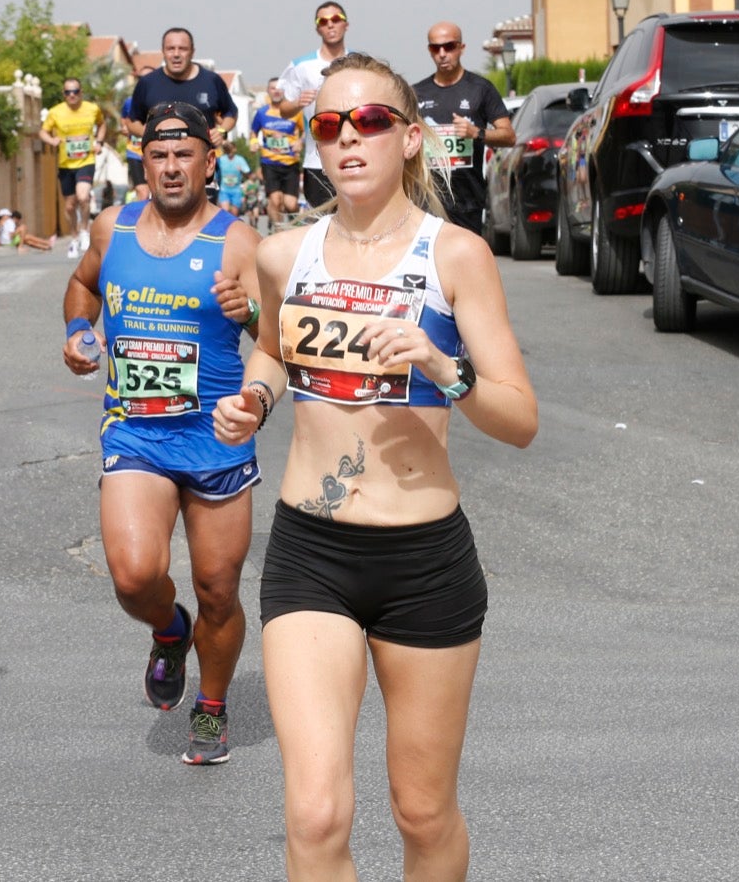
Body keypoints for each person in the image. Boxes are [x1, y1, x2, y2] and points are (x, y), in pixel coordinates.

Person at [214, 53, 537, 877]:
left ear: (409, 137)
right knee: (316, 814)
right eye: (328, 125)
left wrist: (443, 366)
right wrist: (252, 401)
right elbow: (272, 353)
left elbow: (520, 418)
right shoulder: (284, 255)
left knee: (422, 813)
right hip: (311, 553)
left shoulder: (456, 255)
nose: (347, 139)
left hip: (424, 559)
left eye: (368, 122)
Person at [63, 101, 264, 765]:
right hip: (137, 433)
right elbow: (81, 286)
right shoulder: (110, 227)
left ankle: (211, 704)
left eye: (186, 156)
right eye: (160, 155)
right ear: (143, 163)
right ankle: (168, 630)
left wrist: (254, 311)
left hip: (216, 438)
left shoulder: (237, 241)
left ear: (210, 162)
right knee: (133, 575)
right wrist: (76, 330)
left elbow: (280, 341)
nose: (172, 167)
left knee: (218, 589)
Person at [413, 21, 512, 235]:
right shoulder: (418, 93)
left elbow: (509, 136)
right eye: (435, 47)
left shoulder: (480, 89)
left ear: (461, 48)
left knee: (465, 263)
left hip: (468, 198)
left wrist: (476, 133)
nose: (442, 53)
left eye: (449, 46)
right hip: (428, 197)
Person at [276, 1, 348, 209]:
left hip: (353, 155)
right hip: (316, 161)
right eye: (323, 21)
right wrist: (298, 103)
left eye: (336, 19)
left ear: (346, 24)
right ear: (318, 28)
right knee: (323, 224)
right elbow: (284, 110)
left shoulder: (359, 61)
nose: (330, 25)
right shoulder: (301, 66)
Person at [39, 77, 105, 259]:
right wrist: (51, 140)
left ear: (81, 92)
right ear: (64, 94)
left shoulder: (92, 109)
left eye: (75, 91)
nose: (72, 95)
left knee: (83, 196)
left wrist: (99, 142)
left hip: (86, 161)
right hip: (65, 164)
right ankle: (74, 237)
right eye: (68, 92)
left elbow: (102, 124)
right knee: (69, 206)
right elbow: (42, 131)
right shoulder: (55, 112)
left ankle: (84, 231)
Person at [250, 77, 304, 228]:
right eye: (273, 88)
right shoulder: (261, 113)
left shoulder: (295, 112)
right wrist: (254, 144)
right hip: (270, 162)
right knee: (275, 200)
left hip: (290, 163)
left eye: (279, 88)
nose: (276, 91)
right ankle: (278, 231)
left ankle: (299, 226)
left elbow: (305, 131)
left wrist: (300, 142)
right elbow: (253, 132)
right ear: (268, 91)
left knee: (290, 204)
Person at [120, 67, 155, 201]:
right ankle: (143, 221)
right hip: (134, 152)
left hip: (156, 153)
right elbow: (124, 119)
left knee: (156, 191)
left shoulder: (164, 102)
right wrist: (125, 127)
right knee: (142, 192)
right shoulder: (130, 102)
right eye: (141, 79)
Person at [215, 139, 250, 216]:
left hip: (236, 190)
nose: (230, 151)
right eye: (229, 149)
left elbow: (248, 174)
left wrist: (242, 171)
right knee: (225, 211)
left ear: (235, 149)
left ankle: (232, 226)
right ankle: (225, 227)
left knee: (234, 213)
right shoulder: (221, 159)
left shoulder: (240, 160)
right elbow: (215, 171)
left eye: (232, 149)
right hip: (224, 190)